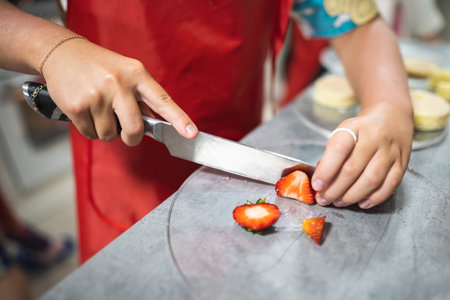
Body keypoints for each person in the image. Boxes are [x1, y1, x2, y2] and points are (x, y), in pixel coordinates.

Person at [0, 0, 414, 263]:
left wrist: (390, 106)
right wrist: (51, 48)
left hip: (237, 149)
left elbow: (355, 21)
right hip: (121, 160)